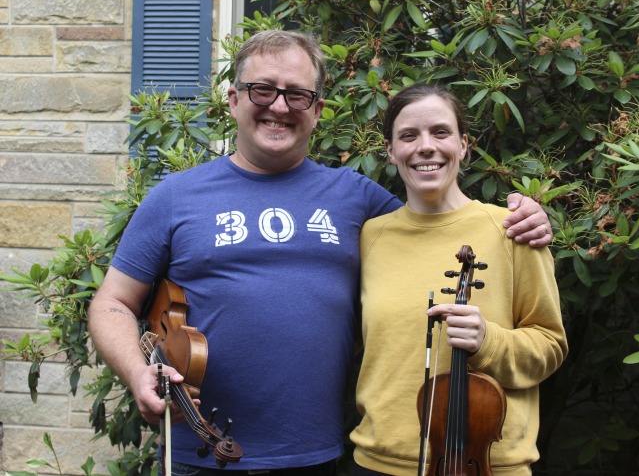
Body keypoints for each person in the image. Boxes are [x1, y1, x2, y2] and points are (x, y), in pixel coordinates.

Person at [87, 30, 552, 475]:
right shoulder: (174, 196)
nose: (279, 106)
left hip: (313, 456)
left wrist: (524, 216)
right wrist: (136, 373)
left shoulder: (358, 199)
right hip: (200, 448)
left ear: (318, 109)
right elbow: (111, 303)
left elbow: (434, 223)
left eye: (297, 95)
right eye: (262, 90)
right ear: (233, 100)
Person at [351, 84, 568, 475]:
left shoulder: (512, 230)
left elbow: (550, 345)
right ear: (390, 151)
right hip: (378, 462)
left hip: (483, 464)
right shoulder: (370, 236)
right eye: (408, 135)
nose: (425, 147)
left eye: (440, 132)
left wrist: (490, 341)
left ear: (464, 144)